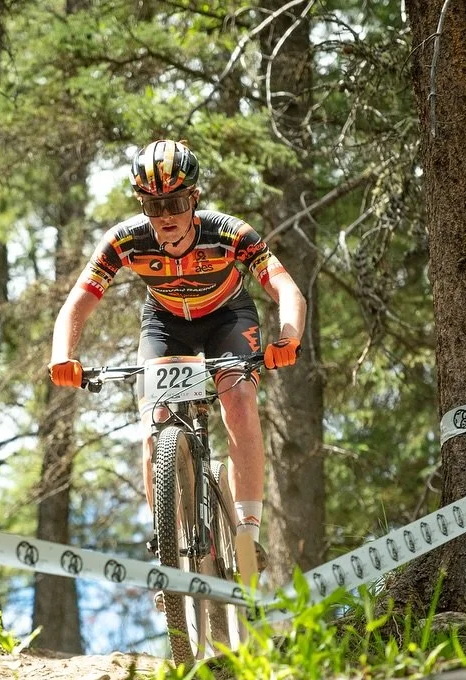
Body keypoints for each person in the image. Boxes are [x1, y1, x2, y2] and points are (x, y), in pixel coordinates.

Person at [47, 138, 306, 564]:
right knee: (156, 424)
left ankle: (246, 536)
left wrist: (288, 337)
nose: (165, 217)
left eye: (175, 203)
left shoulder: (230, 233)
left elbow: (285, 287)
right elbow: (79, 300)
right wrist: (62, 355)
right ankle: (167, 548)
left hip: (228, 316)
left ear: (195, 198)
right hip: (166, 323)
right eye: (153, 206)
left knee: (238, 401)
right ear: (140, 204)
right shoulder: (125, 240)